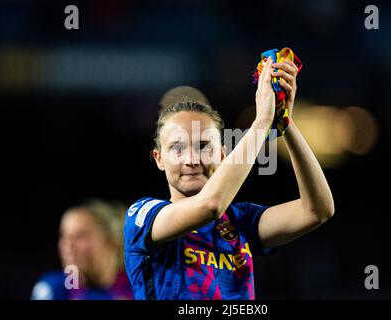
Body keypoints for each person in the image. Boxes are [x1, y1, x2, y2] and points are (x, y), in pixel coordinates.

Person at [124, 57, 335, 300]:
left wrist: (284, 121)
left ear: (223, 154)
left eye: (203, 146)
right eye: (177, 148)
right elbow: (210, 205)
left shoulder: (241, 220)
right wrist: (261, 123)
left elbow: (317, 210)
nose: (191, 159)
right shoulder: (142, 217)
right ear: (159, 158)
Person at [31, 199, 134, 300]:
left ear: (111, 241)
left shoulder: (140, 288)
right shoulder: (54, 288)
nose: (68, 246)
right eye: (63, 236)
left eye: (80, 236)